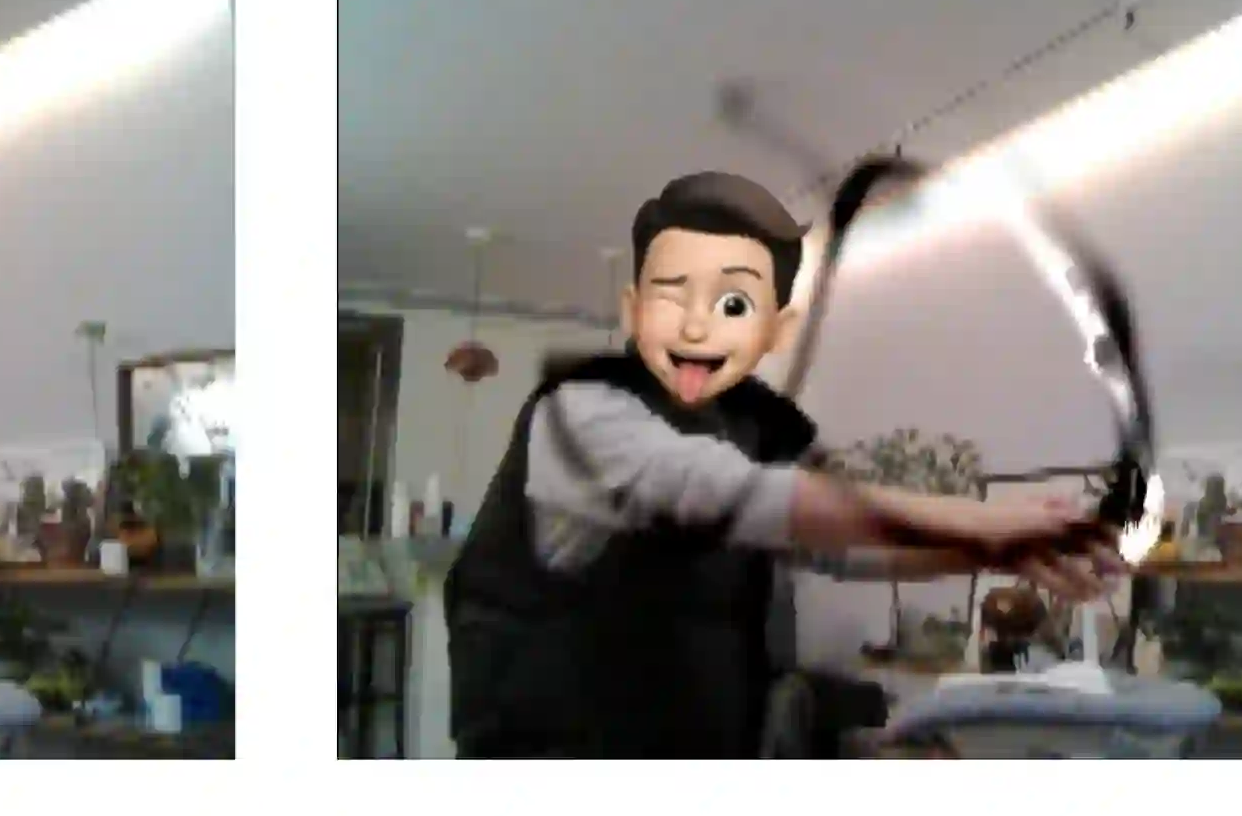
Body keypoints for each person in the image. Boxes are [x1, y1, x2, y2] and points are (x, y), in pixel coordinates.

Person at [445, 171, 1127, 759]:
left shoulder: (751, 425)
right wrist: (987, 522)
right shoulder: (581, 412)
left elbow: (849, 548)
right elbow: (736, 495)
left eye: (733, 303)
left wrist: (994, 548)